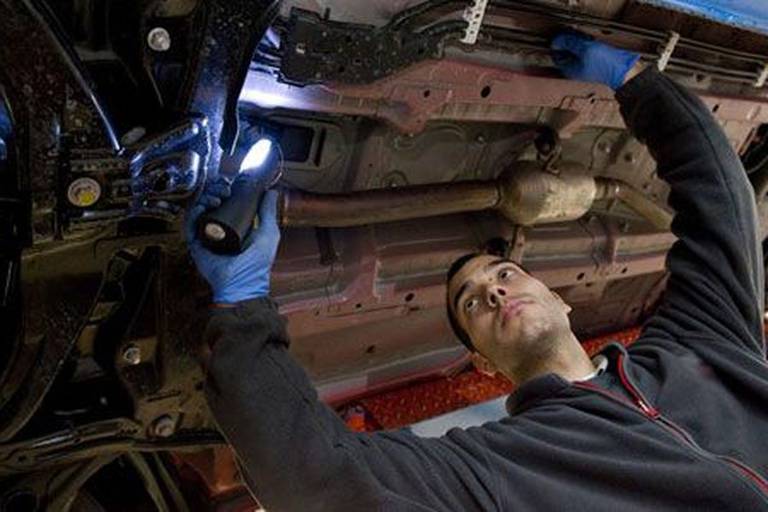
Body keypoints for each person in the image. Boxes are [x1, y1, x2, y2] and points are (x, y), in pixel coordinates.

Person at [186, 33, 768, 511]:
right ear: (483, 364)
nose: (492, 291)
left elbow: (722, 200)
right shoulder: (498, 469)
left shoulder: (703, 341)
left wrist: (639, 85)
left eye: (506, 274)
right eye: (471, 304)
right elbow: (314, 476)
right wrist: (241, 307)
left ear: (562, 299)